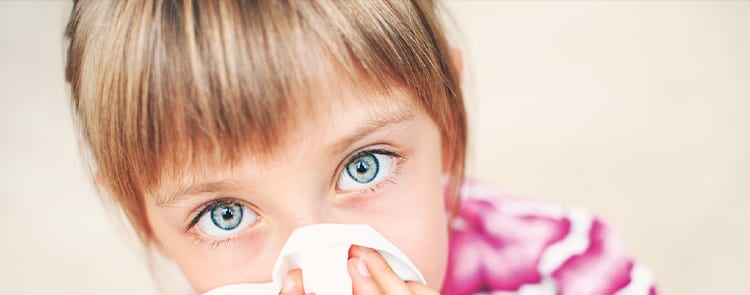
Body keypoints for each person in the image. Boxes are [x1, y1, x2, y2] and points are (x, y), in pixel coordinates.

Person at [63, 1, 657, 294]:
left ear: (446, 122)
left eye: (362, 166)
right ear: (143, 219)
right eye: (226, 214)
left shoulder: (569, 269)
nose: (323, 273)